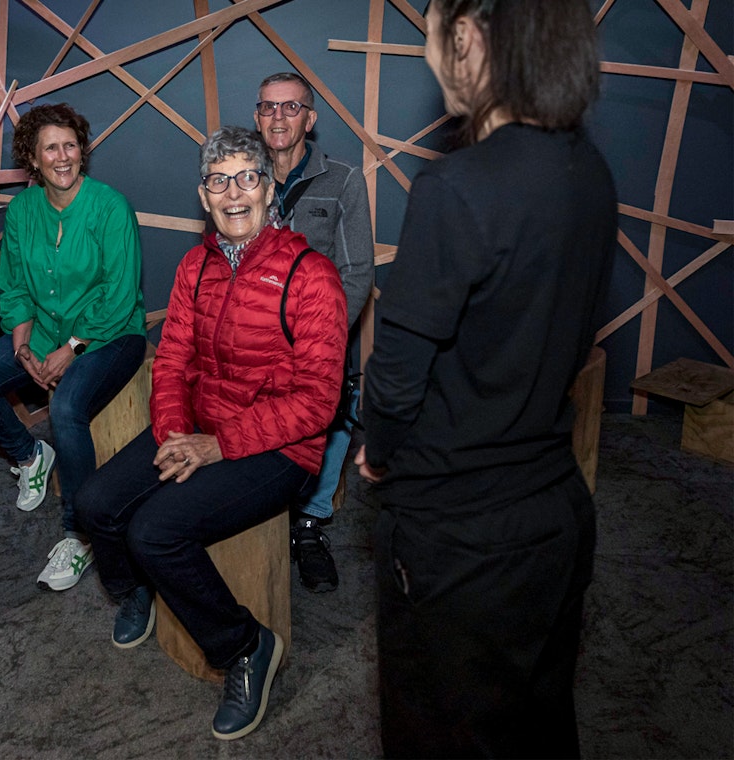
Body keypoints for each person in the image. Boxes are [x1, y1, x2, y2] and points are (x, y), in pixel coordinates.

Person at [354, 0, 616, 755]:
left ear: (464, 37)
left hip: (459, 538)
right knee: (537, 722)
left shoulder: (457, 187)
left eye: (432, 34)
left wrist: (379, 447)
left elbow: (395, 371)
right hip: (553, 513)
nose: (431, 55)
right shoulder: (589, 170)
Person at [76, 126, 348, 740]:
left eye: (247, 178)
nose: (233, 193)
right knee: (94, 504)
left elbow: (316, 404)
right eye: (219, 180)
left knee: (155, 529)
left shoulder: (312, 277)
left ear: (269, 187)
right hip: (196, 425)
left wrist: (218, 446)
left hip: (281, 448)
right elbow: (170, 360)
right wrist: (174, 431)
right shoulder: (195, 266)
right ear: (203, 195)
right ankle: (142, 587)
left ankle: (246, 646)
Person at [0, 103, 146, 592]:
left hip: (110, 334)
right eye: (51, 148)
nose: (63, 156)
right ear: (33, 160)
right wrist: (20, 346)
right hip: (41, 331)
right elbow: (14, 286)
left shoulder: (110, 206)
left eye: (70, 145)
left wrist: (72, 348)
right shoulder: (21, 211)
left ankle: (78, 535)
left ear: (82, 150)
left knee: (67, 407)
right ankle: (28, 456)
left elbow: (119, 296)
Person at [255, 71, 374, 592]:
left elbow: (358, 273)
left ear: (310, 118)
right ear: (257, 117)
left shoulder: (343, 179)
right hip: (255, 334)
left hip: (318, 335)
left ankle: (309, 522)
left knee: (334, 407)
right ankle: (255, 513)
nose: (278, 117)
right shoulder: (240, 176)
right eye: (268, 108)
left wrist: (317, 343)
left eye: (290, 108)